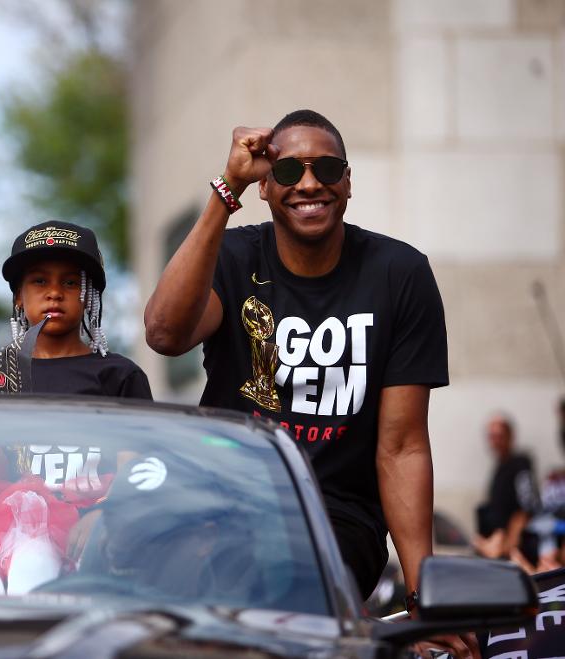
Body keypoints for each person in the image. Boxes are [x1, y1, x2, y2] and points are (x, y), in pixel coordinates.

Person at [144, 110, 448, 609]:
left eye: (326, 170)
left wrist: (424, 594)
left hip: (334, 517)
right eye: (288, 172)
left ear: (348, 182)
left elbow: (403, 446)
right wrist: (227, 190)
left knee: (278, 584)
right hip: (219, 502)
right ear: (265, 187)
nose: (309, 184)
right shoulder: (233, 256)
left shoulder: (400, 274)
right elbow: (165, 333)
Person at [0, 220, 152, 594]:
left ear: (89, 293)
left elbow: (135, 467)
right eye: (39, 281)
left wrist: (105, 514)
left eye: (70, 283)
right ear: (18, 297)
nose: (54, 293)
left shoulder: (118, 375)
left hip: (94, 527)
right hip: (8, 525)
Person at [474, 414, 538, 561]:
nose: (495, 441)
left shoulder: (520, 464)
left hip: (510, 547)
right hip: (496, 541)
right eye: (492, 436)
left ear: (510, 436)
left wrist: (510, 542)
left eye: (499, 436)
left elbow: (526, 506)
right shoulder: (500, 466)